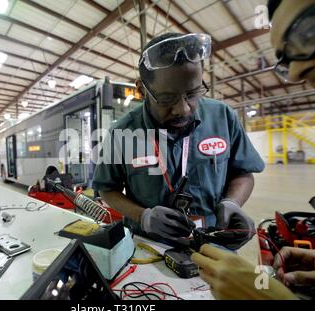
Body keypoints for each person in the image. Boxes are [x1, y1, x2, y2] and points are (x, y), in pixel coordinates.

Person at [191, 0, 315, 299]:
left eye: (307, 32)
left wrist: (266, 297)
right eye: (285, 60)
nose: (295, 74)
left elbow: (245, 171)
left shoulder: (222, 115)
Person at [92, 32, 264, 249]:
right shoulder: (121, 133)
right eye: (166, 98)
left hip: (214, 244)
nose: (183, 109)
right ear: (141, 90)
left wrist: (232, 202)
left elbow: (243, 174)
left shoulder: (223, 117)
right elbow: (107, 189)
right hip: (149, 250)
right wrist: (143, 216)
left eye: (193, 94)